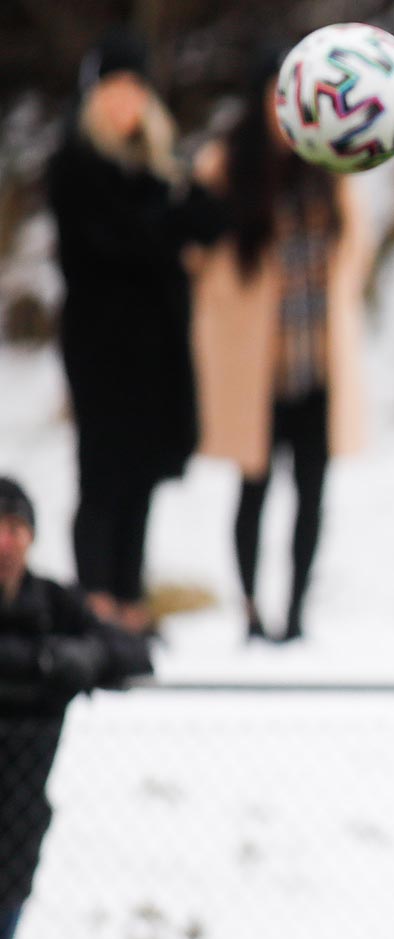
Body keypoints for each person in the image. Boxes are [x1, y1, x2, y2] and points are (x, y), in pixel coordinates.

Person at [47, 29, 225, 635]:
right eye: (114, 88)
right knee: (103, 473)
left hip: (155, 350)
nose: (126, 101)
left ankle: (128, 596)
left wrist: (195, 193)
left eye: (135, 88)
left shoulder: (158, 167)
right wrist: (170, 217)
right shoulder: (75, 164)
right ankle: (94, 596)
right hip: (102, 348)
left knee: (143, 474)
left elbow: (205, 227)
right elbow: (118, 244)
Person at [191, 52, 372, 643]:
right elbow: (195, 253)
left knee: (312, 494)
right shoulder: (225, 168)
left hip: (314, 362)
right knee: (254, 489)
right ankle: (248, 608)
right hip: (257, 367)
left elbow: (355, 247)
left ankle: (296, 611)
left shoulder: (328, 166)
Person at [0, 477, 153, 939]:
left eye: (15, 528)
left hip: (14, 831)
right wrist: (37, 666)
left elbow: (131, 652)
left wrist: (78, 659)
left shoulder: (52, 603)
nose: (5, 541)